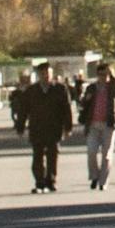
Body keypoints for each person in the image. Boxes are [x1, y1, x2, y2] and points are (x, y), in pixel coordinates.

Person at [14, 63, 74, 193]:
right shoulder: (31, 91)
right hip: (37, 127)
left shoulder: (60, 89)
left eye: (48, 73)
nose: (45, 76)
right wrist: (20, 127)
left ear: (51, 74)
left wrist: (68, 127)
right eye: (42, 73)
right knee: (38, 156)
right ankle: (39, 182)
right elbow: (23, 110)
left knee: (53, 155)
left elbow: (66, 109)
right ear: (38, 75)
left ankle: (51, 180)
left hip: (54, 127)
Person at [81, 63, 115, 191]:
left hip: (108, 125)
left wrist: (112, 74)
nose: (102, 77)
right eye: (100, 74)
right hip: (93, 124)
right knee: (91, 152)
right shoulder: (92, 88)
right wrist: (86, 99)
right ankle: (94, 176)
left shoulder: (112, 88)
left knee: (106, 154)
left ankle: (103, 181)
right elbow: (83, 103)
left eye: (105, 74)